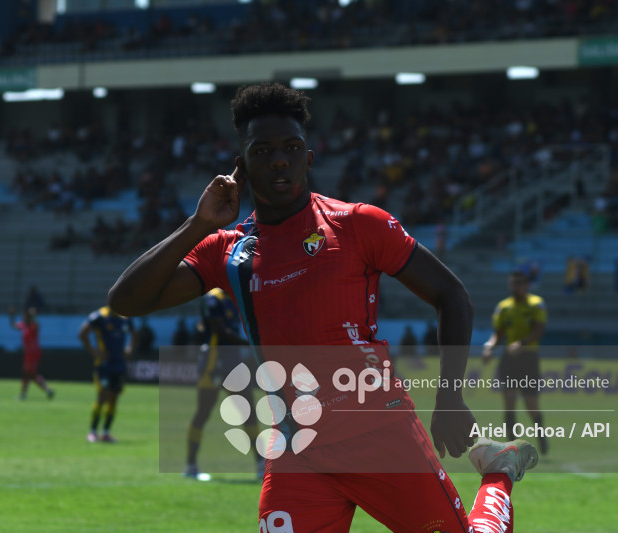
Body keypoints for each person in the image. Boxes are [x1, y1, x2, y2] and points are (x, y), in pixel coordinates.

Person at [108, 82, 537, 532]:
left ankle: (497, 474)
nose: (279, 159)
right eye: (263, 150)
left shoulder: (357, 225)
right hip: (298, 450)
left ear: (308, 159)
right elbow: (126, 300)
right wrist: (197, 225)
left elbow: (452, 296)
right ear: (242, 165)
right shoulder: (228, 252)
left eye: (292, 148)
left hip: (379, 434)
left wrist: (449, 397)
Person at [184, 288, 264, 481]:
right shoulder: (213, 299)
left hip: (233, 363)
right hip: (214, 363)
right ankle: (191, 465)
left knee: (249, 413)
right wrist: (251, 344)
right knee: (203, 412)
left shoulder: (234, 297)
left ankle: (262, 466)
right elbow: (220, 332)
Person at [482, 270, 549, 455]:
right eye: (512, 283)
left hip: (528, 358)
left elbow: (539, 329)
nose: (515, 287)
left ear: (527, 285)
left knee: (530, 403)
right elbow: (499, 332)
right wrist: (490, 347)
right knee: (509, 401)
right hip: (509, 359)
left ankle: (541, 438)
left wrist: (522, 343)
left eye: (519, 283)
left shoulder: (536, 304)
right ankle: (512, 448)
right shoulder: (504, 307)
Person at [78, 305, 137, 443]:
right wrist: (94, 351)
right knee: (102, 396)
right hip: (104, 365)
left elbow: (135, 334)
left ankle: (105, 432)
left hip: (119, 365)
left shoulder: (125, 319)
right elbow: (82, 334)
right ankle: (92, 431)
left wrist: (129, 350)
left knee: (114, 398)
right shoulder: (99, 317)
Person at [9, 306, 54, 400]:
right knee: (30, 374)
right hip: (28, 353)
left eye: (25, 316)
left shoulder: (33, 326)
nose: (23, 318)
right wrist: (11, 315)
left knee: (28, 373)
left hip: (33, 353)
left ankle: (24, 394)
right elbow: (13, 325)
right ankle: (47, 390)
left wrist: (34, 316)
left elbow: (38, 325)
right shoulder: (23, 325)